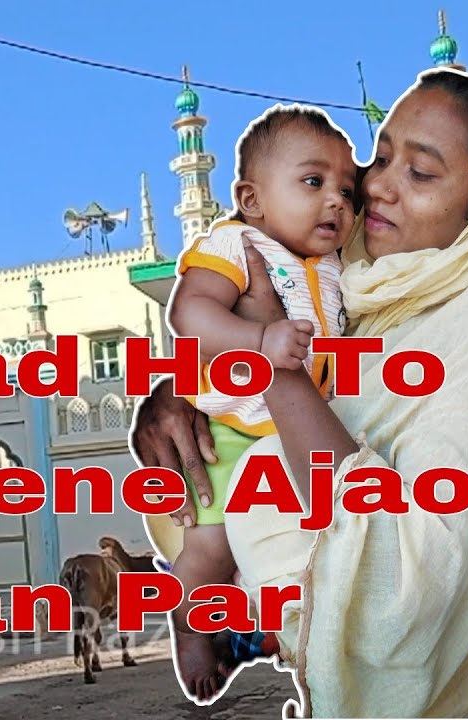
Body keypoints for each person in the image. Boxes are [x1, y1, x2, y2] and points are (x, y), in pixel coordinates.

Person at [133, 67, 468, 718]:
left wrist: (273, 363)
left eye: (421, 173)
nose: (378, 188)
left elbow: (420, 573)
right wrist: (178, 395)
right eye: (385, 157)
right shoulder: (358, 282)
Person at [160, 104, 359, 702]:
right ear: (251, 198)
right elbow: (189, 313)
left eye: (348, 191)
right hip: (231, 426)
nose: (335, 202)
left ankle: (258, 635)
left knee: (310, 549)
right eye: (313, 181)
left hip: (297, 434)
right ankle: (187, 620)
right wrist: (258, 340)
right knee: (214, 545)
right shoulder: (234, 242)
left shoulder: (332, 266)